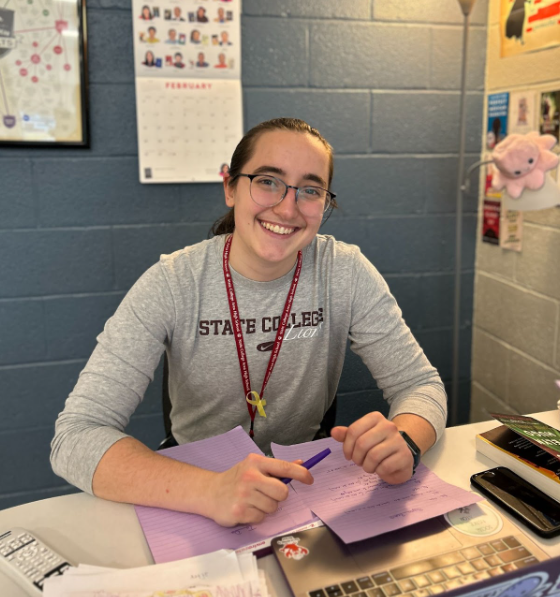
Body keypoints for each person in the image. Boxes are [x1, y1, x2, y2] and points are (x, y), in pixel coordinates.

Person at [51, 118, 447, 528]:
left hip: (306, 483)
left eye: (310, 190)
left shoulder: (343, 271)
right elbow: (76, 435)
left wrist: (406, 441)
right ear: (230, 187)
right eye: (268, 181)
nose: (287, 207)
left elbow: (420, 386)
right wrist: (209, 491)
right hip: (195, 491)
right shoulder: (173, 282)